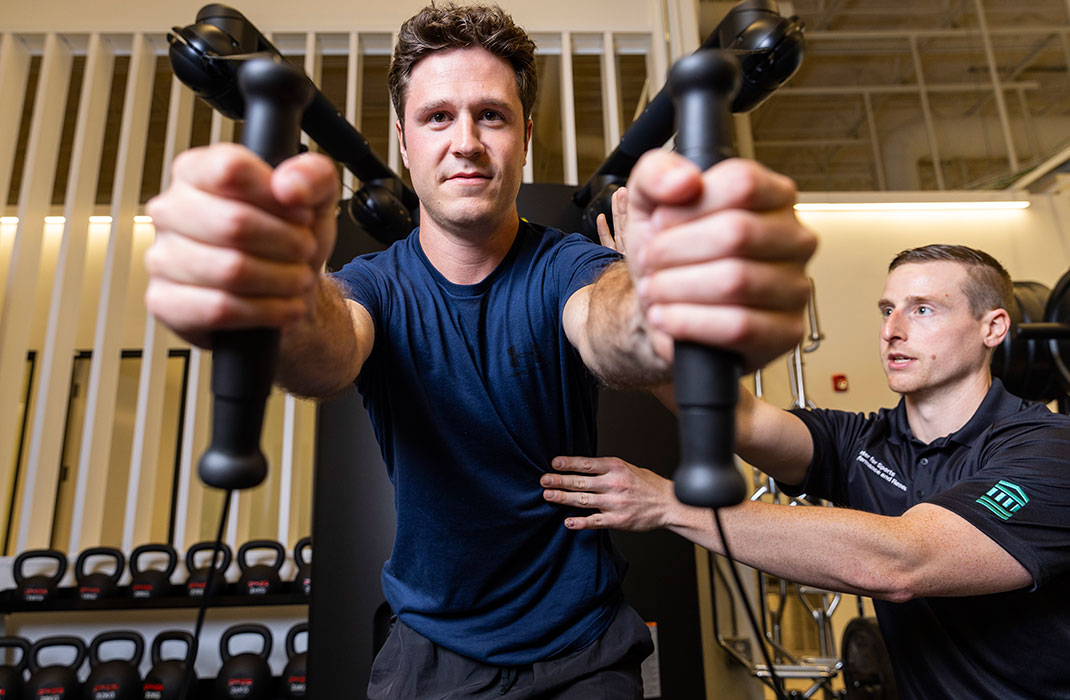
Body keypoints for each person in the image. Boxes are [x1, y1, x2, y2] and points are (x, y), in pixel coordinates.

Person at [144, 4, 815, 697]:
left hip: (584, 649)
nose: (465, 141)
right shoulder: (375, 286)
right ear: (404, 141)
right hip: (429, 652)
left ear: (525, 137)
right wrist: (280, 302)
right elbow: (327, 346)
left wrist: (663, 300)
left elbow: (611, 325)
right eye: (438, 118)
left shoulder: (568, 266)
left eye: (490, 116)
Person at [542, 243, 1070, 699]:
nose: (893, 329)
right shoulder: (863, 441)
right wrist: (632, 306)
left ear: (993, 327)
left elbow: (904, 559)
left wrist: (670, 504)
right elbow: (736, 417)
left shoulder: (1049, 450)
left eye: (923, 310)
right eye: (887, 309)